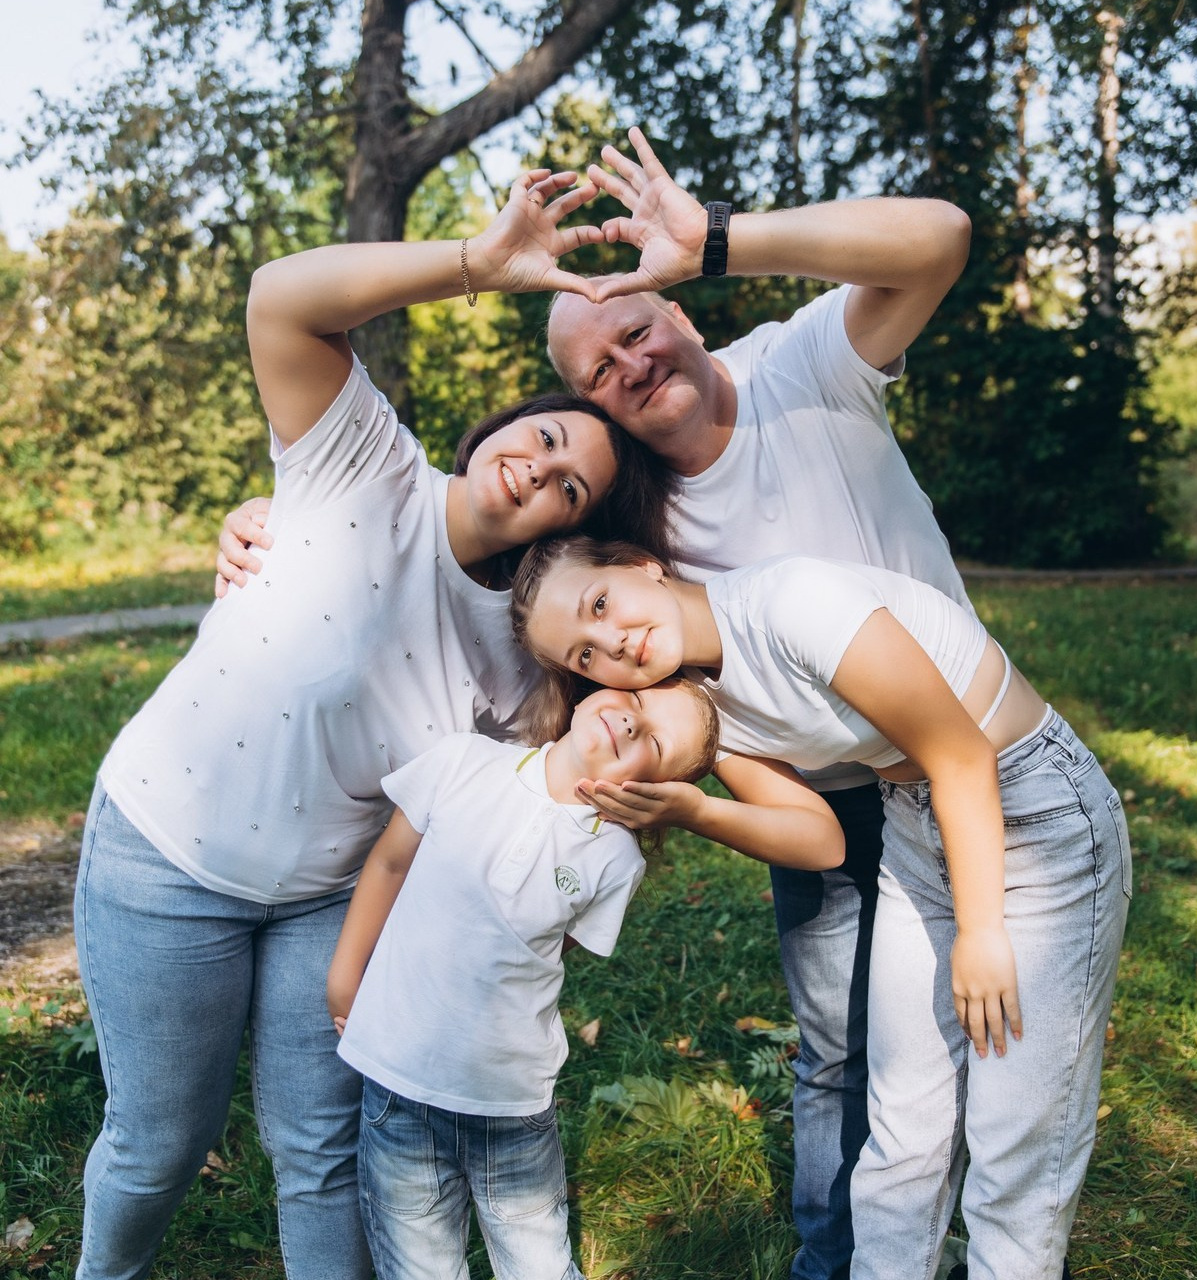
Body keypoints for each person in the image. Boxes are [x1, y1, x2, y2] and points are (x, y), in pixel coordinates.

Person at [216, 128, 974, 1278]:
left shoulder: (799, 362)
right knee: (835, 1048)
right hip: (815, 779)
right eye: (592, 373)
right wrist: (271, 527)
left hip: (949, 752)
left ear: (681, 311)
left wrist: (716, 240)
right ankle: (842, 1257)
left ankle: (983, 1229)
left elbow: (939, 239)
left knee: (970, 1023)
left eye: (636, 325)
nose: (623, 363)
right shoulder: (630, 541)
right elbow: (460, 533)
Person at [72, 168, 679, 1280]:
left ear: (569, 534)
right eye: (547, 436)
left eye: (570, 490)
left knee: (320, 1152)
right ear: (510, 419)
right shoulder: (363, 456)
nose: (542, 467)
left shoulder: (527, 648)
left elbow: (658, 677)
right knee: (158, 1144)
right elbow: (279, 298)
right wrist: (474, 266)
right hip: (163, 850)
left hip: (326, 897)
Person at [510, 535, 1132, 1280]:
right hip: (914, 827)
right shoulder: (699, 697)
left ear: (642, 562)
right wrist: (695, 811)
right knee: (902, 1136)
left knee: (1014, 1147)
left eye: (600, 604)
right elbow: (821, 839)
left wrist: (981, 930)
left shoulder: (792, 603)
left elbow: (961, 754)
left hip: (1034, 821)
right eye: (584, 656)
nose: (610, 642)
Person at [325, 679, 729, 1280]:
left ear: (656, 791)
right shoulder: (464, 761)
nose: (630, 725)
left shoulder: (615, 860)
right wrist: (345, 977)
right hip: (399, 1081)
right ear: (597, 692)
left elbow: (549, 943)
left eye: (656, 741)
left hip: (510, 1104)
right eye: (636, 703)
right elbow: (389, 862)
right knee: (419, 1268)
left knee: (537, 1264)